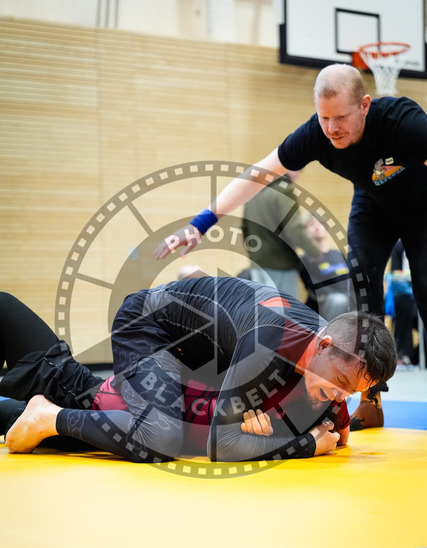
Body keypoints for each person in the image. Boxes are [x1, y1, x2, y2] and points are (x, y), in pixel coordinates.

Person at [154, 63, 427, 429]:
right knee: (362, 290)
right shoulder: (315, 134)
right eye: (324, 117)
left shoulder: (402, 121)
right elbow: (259, 173)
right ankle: (371, 400)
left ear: (365, 105)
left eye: (341, 117)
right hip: (373, 206)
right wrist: (201, 222)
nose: (331, 128)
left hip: (422, 206)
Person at [2, 278, 396, 463]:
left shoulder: (327, 368)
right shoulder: (270, 342)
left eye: (353, 391)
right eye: (340, 384)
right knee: (160, 436)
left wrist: (304, 427)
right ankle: (51, 417)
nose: (341, 396)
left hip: (172, 361)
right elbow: (221, 447)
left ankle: (49, 414)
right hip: (149, 323)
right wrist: (304, 444)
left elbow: (340, 434)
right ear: (322, 345)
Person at [241, 171, 321, 298]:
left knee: (263, 307)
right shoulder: (284, 190)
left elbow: (245, 228)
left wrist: (254, 255)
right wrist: (316, 252)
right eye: (299, 171)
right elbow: (295, 229)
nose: (298, 176)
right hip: (281, 264)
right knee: (285, 309)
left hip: (257, 264)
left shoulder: (254, 192)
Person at [300, 214, 350, 321]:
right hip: (325, 301)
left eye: (320, 223)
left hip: (347, 296)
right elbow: (313, 288)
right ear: (305, 232)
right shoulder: (305, 259)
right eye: (312, 224)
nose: (317, 227)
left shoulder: (338, 254)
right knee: (339, 300)